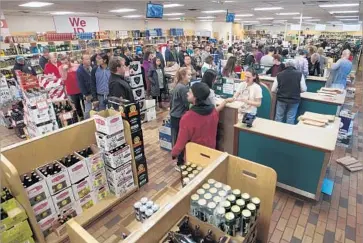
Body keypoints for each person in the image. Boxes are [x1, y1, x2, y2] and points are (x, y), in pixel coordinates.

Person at [171, 82, 232, 161]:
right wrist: (225, 101)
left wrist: (174, 153)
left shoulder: (187, 118)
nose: (187, 93)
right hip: (210, 153)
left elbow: (180, 142)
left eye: (190, 92)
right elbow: (217, 111)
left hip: (194, 155)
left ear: (195, 98)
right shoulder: (213, 111)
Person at [272, 59, 307, 124]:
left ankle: (275, 132)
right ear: (295, 66)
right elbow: (304, 89)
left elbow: (273, 89)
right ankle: (288, 133)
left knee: (279, 117)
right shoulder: (300, 74)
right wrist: (297, 91)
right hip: (294, 99)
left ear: (285, 65)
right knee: (290, 118)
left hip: (281, 99)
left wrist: (280, 92)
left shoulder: (279, 74)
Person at [170, 67, 191, 169]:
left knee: (177, 138)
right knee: (181, 139)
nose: (190, 77)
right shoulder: (183, 88)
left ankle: (177, 157)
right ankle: (180, 163)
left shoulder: (178, 85)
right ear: (183, 76)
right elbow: (187, 104)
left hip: (174, 115)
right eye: (189, 75)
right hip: (179, 117)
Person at [76, 55, 93, 119]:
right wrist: (86, 94)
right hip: (87, 94)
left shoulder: (92, 68)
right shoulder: (79, 71)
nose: (89, 60)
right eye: (86, 59)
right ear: (82, 61)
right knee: (88, 110)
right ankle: (87, 121)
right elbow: (81, 84)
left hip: (94, 91)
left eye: (89, 59)